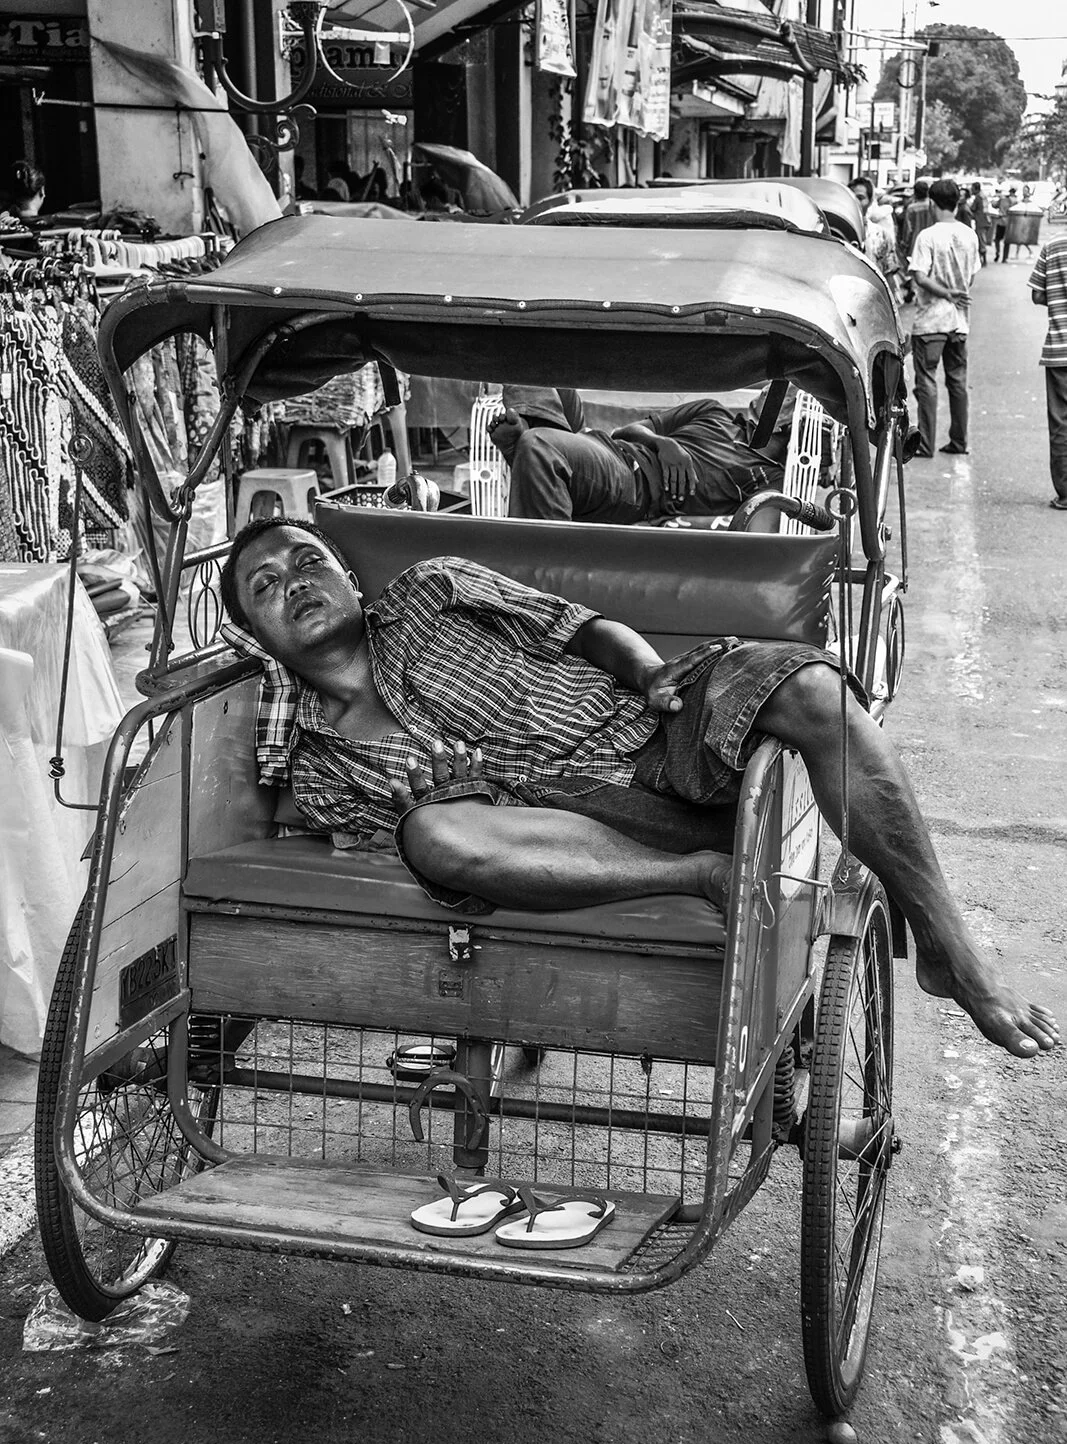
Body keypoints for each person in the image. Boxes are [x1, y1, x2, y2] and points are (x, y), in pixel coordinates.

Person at [216, 515, 1059, 1062]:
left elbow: (582, 627)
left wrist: (652, 673)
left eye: (308, 561)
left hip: (652, 733)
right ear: (255, 635)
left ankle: (950, 948)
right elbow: (432, 859)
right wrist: (432, 803)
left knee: (810, 689)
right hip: (574, 834)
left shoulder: (432, 589)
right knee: (434, 837)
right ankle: (702, 872)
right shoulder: (318, 766)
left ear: (348, 579)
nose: (294, 581)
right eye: (266, 585)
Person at [488, 386, 795, 523]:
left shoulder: (772, 480)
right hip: (608, 448)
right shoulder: (714, 412)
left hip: (633, 486)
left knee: (541, 445)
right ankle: (533, 445)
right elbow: (627, 431)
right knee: (534, 367)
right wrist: (664, 444)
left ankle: (532, 448)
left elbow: (754, 539)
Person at [908, 178, 980, 457]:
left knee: (926, 380)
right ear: (957, 202)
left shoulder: (927, 236)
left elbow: (919, 276)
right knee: (957, 382)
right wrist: (956, 293)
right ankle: (959, 441)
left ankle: (925, 444)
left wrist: (946, 293)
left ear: (931, 202)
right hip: (959, 321)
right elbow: (971, 275)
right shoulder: (969, 235)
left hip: (931, 322)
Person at [1029, 230, 1067, 510]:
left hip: (1060, 349)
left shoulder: (1053, 245)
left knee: (1061, 424)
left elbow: (1038, 294)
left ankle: (1065, 493)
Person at [969, 182, 991, 267]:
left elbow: (973, 208)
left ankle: (983, 261)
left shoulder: (978, 198)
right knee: (982, 240)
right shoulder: (983, 196)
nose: (971, 190)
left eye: (972, 188)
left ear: (976, 189)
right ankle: (982, 260)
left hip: (980, 221)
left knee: (981, 241)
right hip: (986, 220)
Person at [993, 187, 1016, 262]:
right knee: (1006, 241)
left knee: (997, 239)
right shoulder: (1013, 201)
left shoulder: (1002, 199)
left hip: (1001, 221)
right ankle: (1004, 258)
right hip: (1008, 222)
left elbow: (994, 205)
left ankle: (998, 252)